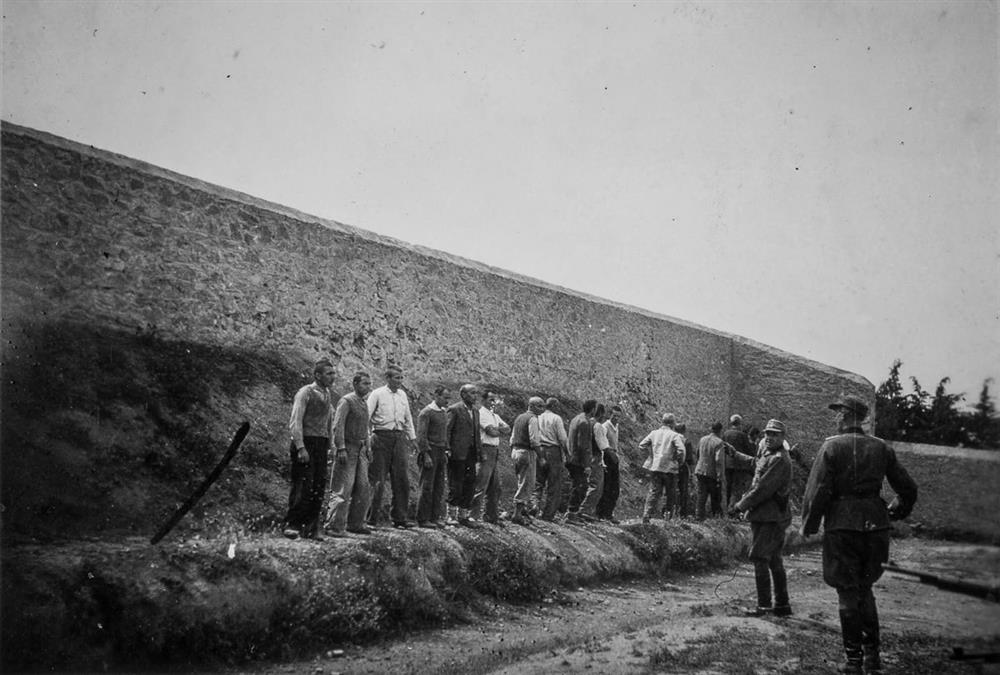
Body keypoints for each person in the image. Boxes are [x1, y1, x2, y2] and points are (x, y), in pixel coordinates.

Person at [800, 395, 918, 675]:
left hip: (842, 526)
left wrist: (810, 525)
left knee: (847, 593)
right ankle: (872, 656)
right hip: (876, 527)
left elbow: (818, 491)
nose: (835, 416)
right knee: (865, 589)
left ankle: (853, 662)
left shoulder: (831, 446)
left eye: (838, 411)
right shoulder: (881, 447)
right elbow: (908, 488)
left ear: (846, 415)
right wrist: (896, 511)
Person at [728, 419, 794, 618]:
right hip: (767, 515)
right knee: (774, 559)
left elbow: (763, 488)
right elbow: (756, 465)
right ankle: (782, 605)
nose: (769, 437)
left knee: (760, 557)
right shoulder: (769, 454)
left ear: (782, 437)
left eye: (774, 434)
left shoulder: (781, 459)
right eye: (767, 433)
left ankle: (764, 606)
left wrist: (740, 506)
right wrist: (736, 454)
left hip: (770, 516)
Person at [284, 358, 337, 541]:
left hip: (320, 444)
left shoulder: (328, 394)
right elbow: (295, 421)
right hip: (305, 442)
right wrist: (300, 447)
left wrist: (330, 446)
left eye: (333, 373)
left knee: (318, 486)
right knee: (303, 485)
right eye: (329, 373)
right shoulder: (305, 392)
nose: (333, 377)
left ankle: (312, 527)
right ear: (317, 375)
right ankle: (293, 525)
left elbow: (329, 422)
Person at [366, 365, 417, 529]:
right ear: (388, 378)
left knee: (401, 479)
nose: (400, 381)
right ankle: (370, 519)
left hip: (399, 438)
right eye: (396, 377)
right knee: (377, 479)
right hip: (381, 437)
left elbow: (408, 418)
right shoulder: (377, 394)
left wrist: (412, 438)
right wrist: (367, 439)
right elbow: (366, 416)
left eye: (401, 378)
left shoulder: (402, 395)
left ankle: (399, 518)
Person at [324, 370, 373, 537]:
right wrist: (341, 448)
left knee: (363, 487)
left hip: (361, 450)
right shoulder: (346, 401)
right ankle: (334, 526)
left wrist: (368, 447)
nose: (368, 387)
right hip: (348, 448)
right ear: (355, 384)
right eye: (364, 383)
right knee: (343, 487)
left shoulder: (363, 403)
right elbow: (338, 426)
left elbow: (366, 429)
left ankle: (356, 523)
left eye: (369, 384)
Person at [638, 413, 686, 523]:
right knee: (670, 493)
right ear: (672, 423)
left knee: (654, 491)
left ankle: (646, 514)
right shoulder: (674, 435)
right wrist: (679, 461)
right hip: (670, 468)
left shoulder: (654, 433)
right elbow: (681, 450)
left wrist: (651, 456)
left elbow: (642, 445)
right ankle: (667, 516)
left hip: (655, 467)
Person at [415, 386, 451, 528]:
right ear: (436, 395)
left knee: (439, 486)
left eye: (448, 398)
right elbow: (421, 436)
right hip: (430, 451)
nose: (447, 401)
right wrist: (426, 454)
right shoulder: (426, 413)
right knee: (427, 486)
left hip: (440, 452)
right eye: (445, 397)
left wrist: (446, 451)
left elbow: (444, 434)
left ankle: (434, 517)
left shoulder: (442, 412)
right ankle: (422, 518)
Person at [446, 384, 481, 526]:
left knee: (470, 482)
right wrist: (447, 449)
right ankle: (451, 515)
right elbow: (447, 431)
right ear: (463, 395)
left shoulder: (476, 412)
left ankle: (463, 515)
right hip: (457, 453)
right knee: (456, 483)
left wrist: (480, 452)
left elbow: (476, 433)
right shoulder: (454, 410)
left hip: (471, 453)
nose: (475, 396)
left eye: (476, 393)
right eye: (472, 393)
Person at [472, 390, 509, 525]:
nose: (493, 403)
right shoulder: (481, 413)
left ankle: (491, 516)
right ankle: (473, 516)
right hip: (485, 449)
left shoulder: (494, 415)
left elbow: (508, 428)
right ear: (483, 400)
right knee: (481, 484)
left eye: (494, 400)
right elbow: (491, 432)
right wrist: (499, 430)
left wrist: (497, 429)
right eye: (490, 399)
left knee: (495, 486)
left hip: (494, 450)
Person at [509, 396, 545, 525]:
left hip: (516, 450)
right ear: (533, 406)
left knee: (521, 480)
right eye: (540, 406)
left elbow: (512, 437)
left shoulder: (520, 417)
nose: (542, 409)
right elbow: (534, 440)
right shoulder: (533, 419)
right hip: (526, 451)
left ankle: (521, 510)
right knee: (527, 482)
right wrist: (541, 457)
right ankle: (517, 514)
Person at [535, 397, 568, 521]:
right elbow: (563, 438)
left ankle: (534, 507)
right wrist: (567, 453)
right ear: (554, 406)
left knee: (538, 482)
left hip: (539, 450)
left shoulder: (537, 417)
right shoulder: (556, 418)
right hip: (553, 451)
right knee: (554, 484)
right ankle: (548, 515)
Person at [564, 399, 597, 524]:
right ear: (593, 409)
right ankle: (571, 514)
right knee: (580, 486)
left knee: (576, 485)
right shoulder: (584, 422)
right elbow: (583, 445)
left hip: (571, 457)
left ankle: (572, 513)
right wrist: (587, 465)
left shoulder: (575, 419)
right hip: (578, 460)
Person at [577, 404, 610, 522]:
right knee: (596, 485)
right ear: (600, 413)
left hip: (585, 456)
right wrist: (611, 455)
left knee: (586, 483)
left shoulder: (586, 422)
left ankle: (581, 509)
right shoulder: (597, 426)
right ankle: (585, 510)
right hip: (595, 457)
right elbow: (603, 445)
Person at [694, 421, 728, 519]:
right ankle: (716, 517)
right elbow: (718, 460)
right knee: (715, 496)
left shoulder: (702, 439)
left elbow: (697, 453)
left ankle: (698, 516)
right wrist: (720, 475)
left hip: (700, 470)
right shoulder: (719, 442)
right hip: (712, 472)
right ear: (720, 430)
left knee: (701, 494)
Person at [596, 405, 623, 523]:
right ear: (609, 415)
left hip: (613, 456)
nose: (616, 418)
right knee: (607, 487)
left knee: (614, 488)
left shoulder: (616, 427)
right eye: (614, 415)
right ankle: (602, 513)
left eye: (618, 416)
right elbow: (603, 446)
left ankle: (608, 513)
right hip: (607, 457)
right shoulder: (605, 427)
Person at [723, 414, 755, 510]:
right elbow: (749, 450)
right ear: (740, 424)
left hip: (727, 465)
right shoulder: (742, 435)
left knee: (727, 487)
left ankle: (725, 508)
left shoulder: (725, 434)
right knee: (737, 489)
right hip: (739, 465)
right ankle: (734, 510)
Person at [673, 422, 695, 518]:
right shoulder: (686, 441)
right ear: (684, 430)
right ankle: (682, 513)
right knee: (683, 490)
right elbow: (690, 459)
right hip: (683, 467)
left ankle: (668, 511)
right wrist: (692, 473)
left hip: (671, 466)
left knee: (671, 489)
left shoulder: (671, 438)